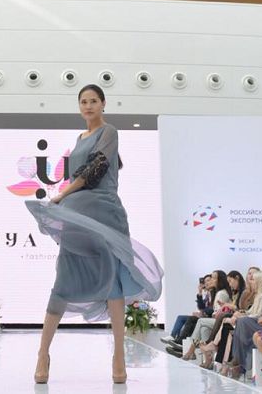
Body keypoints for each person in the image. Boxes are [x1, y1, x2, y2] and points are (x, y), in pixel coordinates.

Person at [26, 83, 164, 385]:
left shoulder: (109, 131)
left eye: (93, 101)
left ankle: (118, 355)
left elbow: (96, 169)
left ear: (103, 104)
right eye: (83, 102)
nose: (88, 106)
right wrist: (66, 197)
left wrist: (62, 194)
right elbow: (79, 175)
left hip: (104, 212)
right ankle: (42, 354)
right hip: (77, 215)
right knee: (64, 279)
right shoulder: (79, 139)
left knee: (113, 282)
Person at [179, 270, 233, 361]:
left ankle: (191, 350)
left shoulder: (221, 293)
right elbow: (208, 308)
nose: (211, 280)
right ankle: (208, 360)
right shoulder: (216, 292)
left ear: (220, 280)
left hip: (220, 321)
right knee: (204, 328)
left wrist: (205, 314)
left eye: (213, 278)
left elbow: (218, 312)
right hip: (216, 319)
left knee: (200, 321)